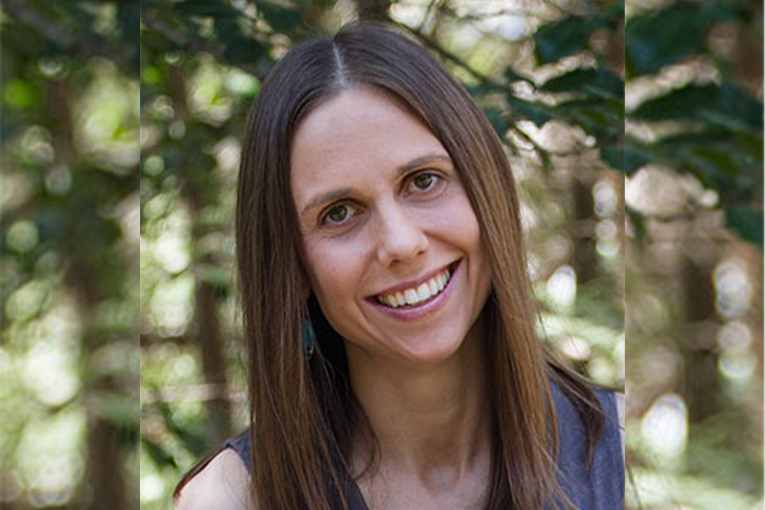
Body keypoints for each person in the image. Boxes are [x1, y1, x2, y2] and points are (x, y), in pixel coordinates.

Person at [174, 22, 625, 510]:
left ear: (486, 188)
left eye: (424, 180)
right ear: (293, 266)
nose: (401, 243)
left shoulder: (621, 452)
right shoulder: (233, 499)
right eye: (339, 213)